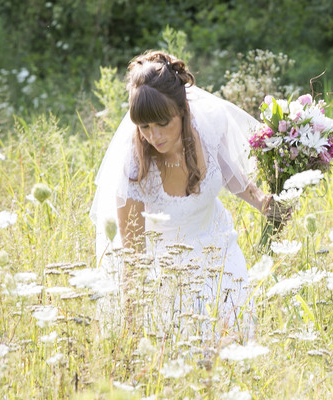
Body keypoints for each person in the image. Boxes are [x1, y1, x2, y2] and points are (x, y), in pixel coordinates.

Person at [90, 50, 272, 343]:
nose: (154, 136)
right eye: (145, 126)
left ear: (182, 110)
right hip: (169, 273)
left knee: (236, 345)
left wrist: (264, 203)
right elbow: (132, 253)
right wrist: (133, 324)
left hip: (221, 254)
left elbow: (231, 175)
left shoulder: (210, 124)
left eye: (163, 123)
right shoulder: (134, 166)